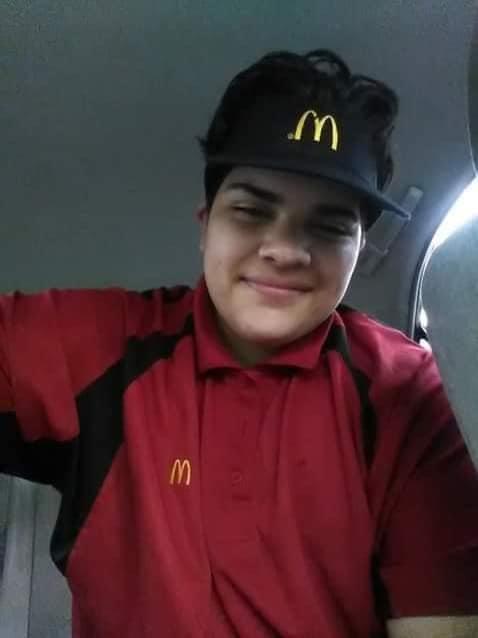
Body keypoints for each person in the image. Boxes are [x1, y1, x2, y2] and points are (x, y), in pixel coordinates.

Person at [0, 48, 477, 638]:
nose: (285, 250)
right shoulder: (102, 347)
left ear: (360, 249)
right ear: (206, 226)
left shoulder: (409, 397)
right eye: (252, 211)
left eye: (329, 226)